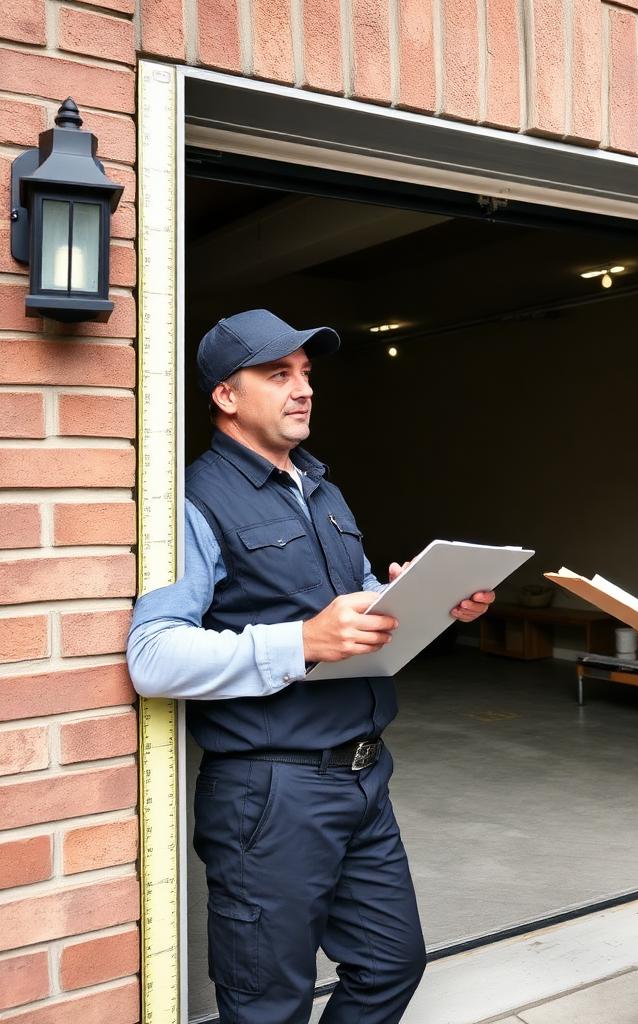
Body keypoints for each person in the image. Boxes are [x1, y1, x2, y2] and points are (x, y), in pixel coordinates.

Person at [127, 309, 495, 1024]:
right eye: (278, 375)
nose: (303, 389)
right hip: (270, 794)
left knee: (391, 964)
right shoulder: (193, 502)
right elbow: (153, 656)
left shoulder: (322, 489)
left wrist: (422, 599)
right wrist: (302, 641)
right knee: (269, 1006)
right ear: (226, 396)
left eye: (304, 373)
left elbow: (349, 611)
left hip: (364, 777)